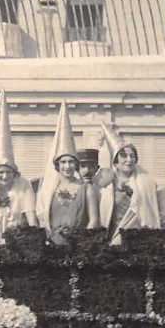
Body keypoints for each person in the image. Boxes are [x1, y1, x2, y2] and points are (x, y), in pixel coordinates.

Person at [0, 92, 37, 244]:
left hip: (15, 241)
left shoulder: (23, 185)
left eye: (8, 172)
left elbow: (31, 215)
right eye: (0, 172)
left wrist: (35, 239)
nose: (4, 176)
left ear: (14, 172)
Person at [36, 103, 99, 243]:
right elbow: (41, 220)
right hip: (52, 244)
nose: (67, 166)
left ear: (76, 164)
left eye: (71, 162)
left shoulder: (86, 188)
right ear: (57, 165)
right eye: (63, 162)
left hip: (77, 244)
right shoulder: (49, 190)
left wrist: (81, 244)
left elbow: (94, 220)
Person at [95, 122, 163, 244]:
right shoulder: (107, 183)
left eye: (132, 156)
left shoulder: (146, 182)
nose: (129, 160)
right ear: (115, 161)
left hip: (137, 236)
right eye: (124, 156)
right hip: (111, 235)